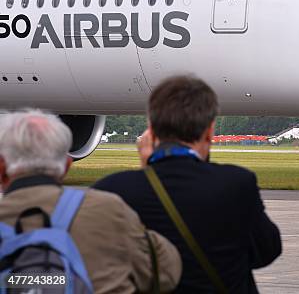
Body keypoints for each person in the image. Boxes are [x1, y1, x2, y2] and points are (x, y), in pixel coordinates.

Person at [94, 76, 282, 293]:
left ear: (151, 131)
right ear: (210, 132)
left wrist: (148, 169)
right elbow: (268, 251)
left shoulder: (112, 190)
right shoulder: (236, 184)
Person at [0, 110, 181, 293]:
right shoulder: (109, 210)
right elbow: (166, 272)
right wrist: (148, 173)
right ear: (67, 166)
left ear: (1, 167)